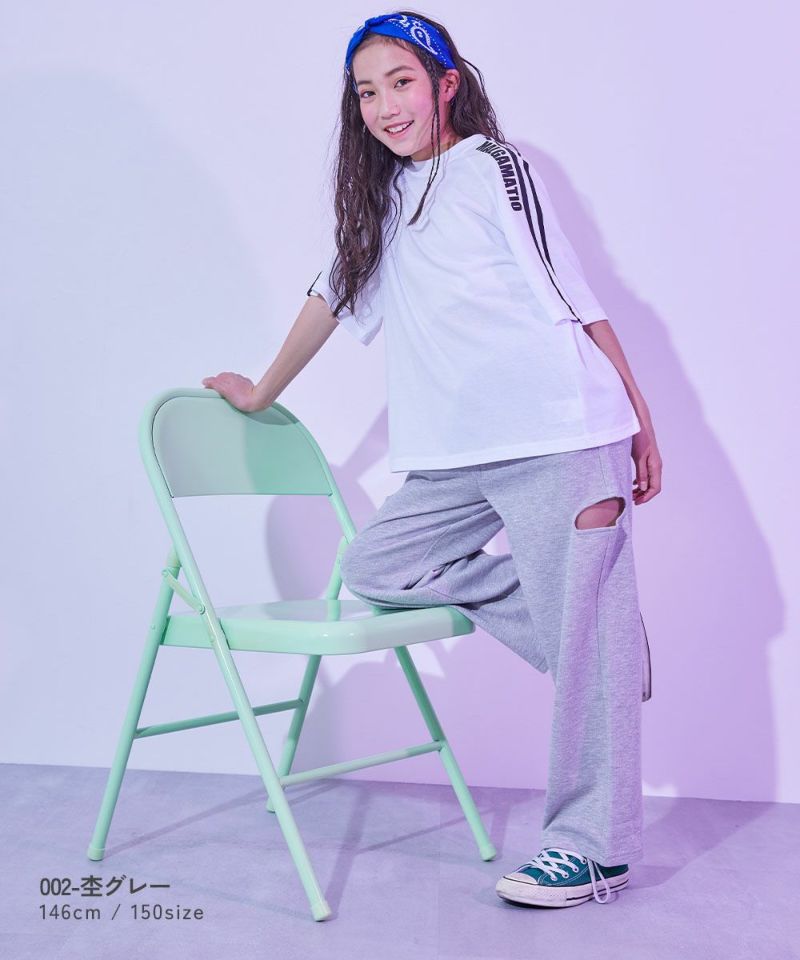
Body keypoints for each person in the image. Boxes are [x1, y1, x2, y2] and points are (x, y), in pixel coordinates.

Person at [203, 9, 663, 910]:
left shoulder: (492, 165)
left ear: (447, 85)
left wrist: (639, 414)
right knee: (379, 564)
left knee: (586, 643)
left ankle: (592, 849)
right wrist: (260, 392)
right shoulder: (381, 205)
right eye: (366, 92)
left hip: (561, 434)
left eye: (402, 83)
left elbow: (569, 288)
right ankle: (593, 632)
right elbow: (330, 299)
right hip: (455, 457)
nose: (384, 106)